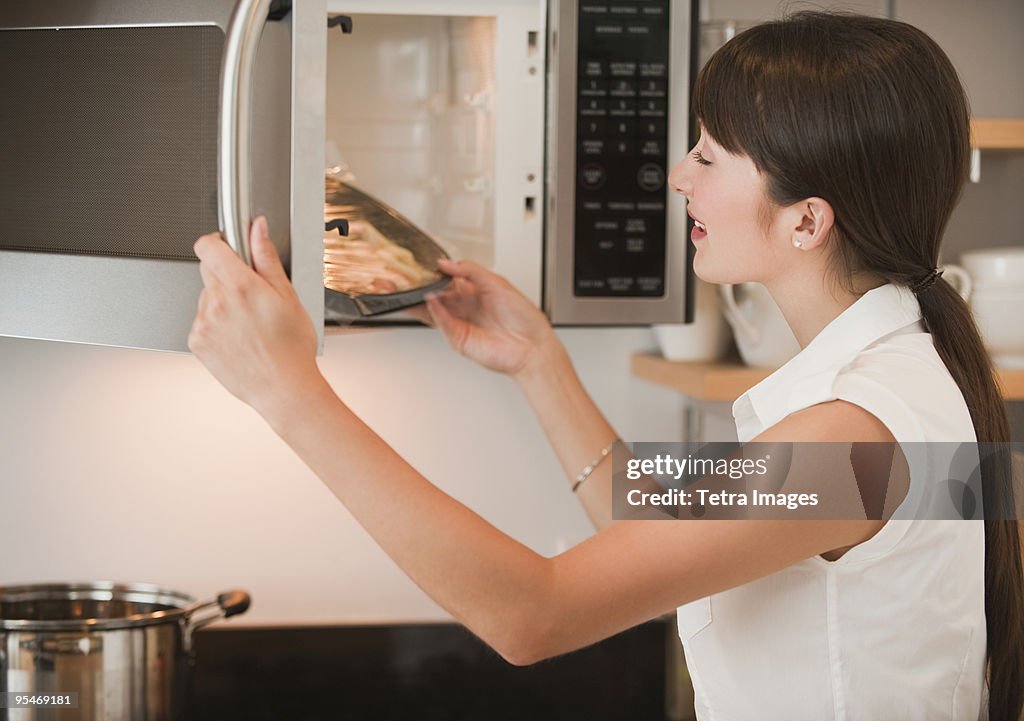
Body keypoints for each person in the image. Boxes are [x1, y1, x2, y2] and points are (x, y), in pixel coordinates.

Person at [188, 11, 1023, 721]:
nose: (676, 176)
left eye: (710, 154)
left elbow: (532, 613)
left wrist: (289, 393)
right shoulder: (896, 387)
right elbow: (668, 539)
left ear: (806, 220)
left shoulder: (850, 445)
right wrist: (540, 365)